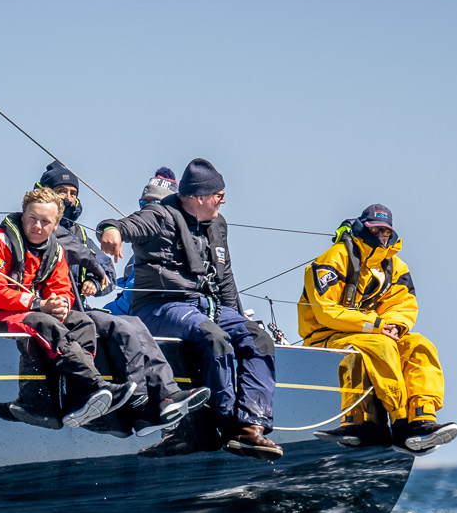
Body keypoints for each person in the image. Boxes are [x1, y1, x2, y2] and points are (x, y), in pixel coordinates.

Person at [98, 158, 282, 460]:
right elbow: (123, 225)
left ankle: (251, 426)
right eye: (219, 196)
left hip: (206, 306)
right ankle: (227, 426)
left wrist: (238, 320)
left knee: (258, 338)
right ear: (199, 198)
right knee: (213, 338)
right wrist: (111, 230)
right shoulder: (159, 215)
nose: (223, 202)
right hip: (161, 307)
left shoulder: (218, 225)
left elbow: (225, 278)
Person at [35, 160, 208, 437]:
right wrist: (94, 267)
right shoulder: (38, 227)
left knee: (135, 324)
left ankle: (166, 395)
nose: (68, 198)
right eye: (61, 191)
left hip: (79, 310)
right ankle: (140, 405)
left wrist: (95, 282)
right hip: (49, 311)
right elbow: (77, 252)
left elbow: (108, 274)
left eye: (73, 192)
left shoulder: (80, 234)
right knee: (121, 327)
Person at [0, 188, 130, 430]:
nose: (37, 226)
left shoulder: (54, 252)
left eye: (45, 221)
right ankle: (94, 386)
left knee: (82, 323)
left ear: (56, 224)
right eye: (32, 218)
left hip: (19, 310)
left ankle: (78, 399)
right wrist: (40, 305)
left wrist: (61, 305)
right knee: (42, 323)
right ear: (23, 216)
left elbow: (61, 287)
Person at [298, 204, 457, 452]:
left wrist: (395, 326)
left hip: (373, 332)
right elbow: (325, 311)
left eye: (385, 231)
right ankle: (391, 423)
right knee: (379, 347)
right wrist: (377, 326)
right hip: (326, 335)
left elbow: (402, 304)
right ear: (363, 228)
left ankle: (421, 419)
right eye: (375, 230)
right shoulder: (335, 258)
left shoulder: (395, 266)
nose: (381, 236)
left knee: (419, 344)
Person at [104, 169, 177, 316]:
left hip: (156, 315)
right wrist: (110, 228)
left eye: (155, 203)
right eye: (144, 203)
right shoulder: (136, 257)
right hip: (124, 313)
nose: (148, 209)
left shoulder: (184, 248)